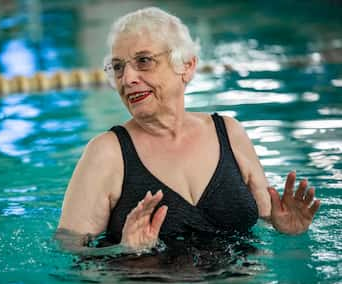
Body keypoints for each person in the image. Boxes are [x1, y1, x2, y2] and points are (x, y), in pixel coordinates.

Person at [55, 7, 320, 255]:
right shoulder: (107, 153)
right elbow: (67, 250)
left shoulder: (229, 133)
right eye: (118, 67)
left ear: (187, 66)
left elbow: (265, 220)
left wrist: (286, 231)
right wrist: (122, 252)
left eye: (144, 61)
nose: (127, 78)